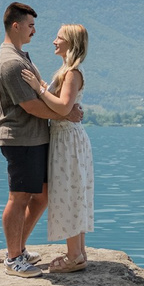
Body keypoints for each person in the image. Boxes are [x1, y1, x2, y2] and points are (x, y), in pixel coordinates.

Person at [0, 2, 75, 276]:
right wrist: (66, 114)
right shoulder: (11, 63)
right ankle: (13, 258)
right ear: (15, 26)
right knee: (18, 197)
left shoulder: (20, 56)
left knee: (41, 196)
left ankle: (19, 248)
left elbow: (38, 99)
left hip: (34, 138)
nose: (35, 31)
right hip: (20, 138)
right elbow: (30, 106)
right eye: (30, 25)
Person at [38, 24, 94, 273]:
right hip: (67, 138)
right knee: (73, 191)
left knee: (69, 192)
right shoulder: (67, 71)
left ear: (70, 43)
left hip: (67, 140)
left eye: (58, 37)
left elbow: (62, 108)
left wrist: (38, 89)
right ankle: (79, 252)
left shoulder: (72, 73)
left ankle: (74, 256)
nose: (54, 41)